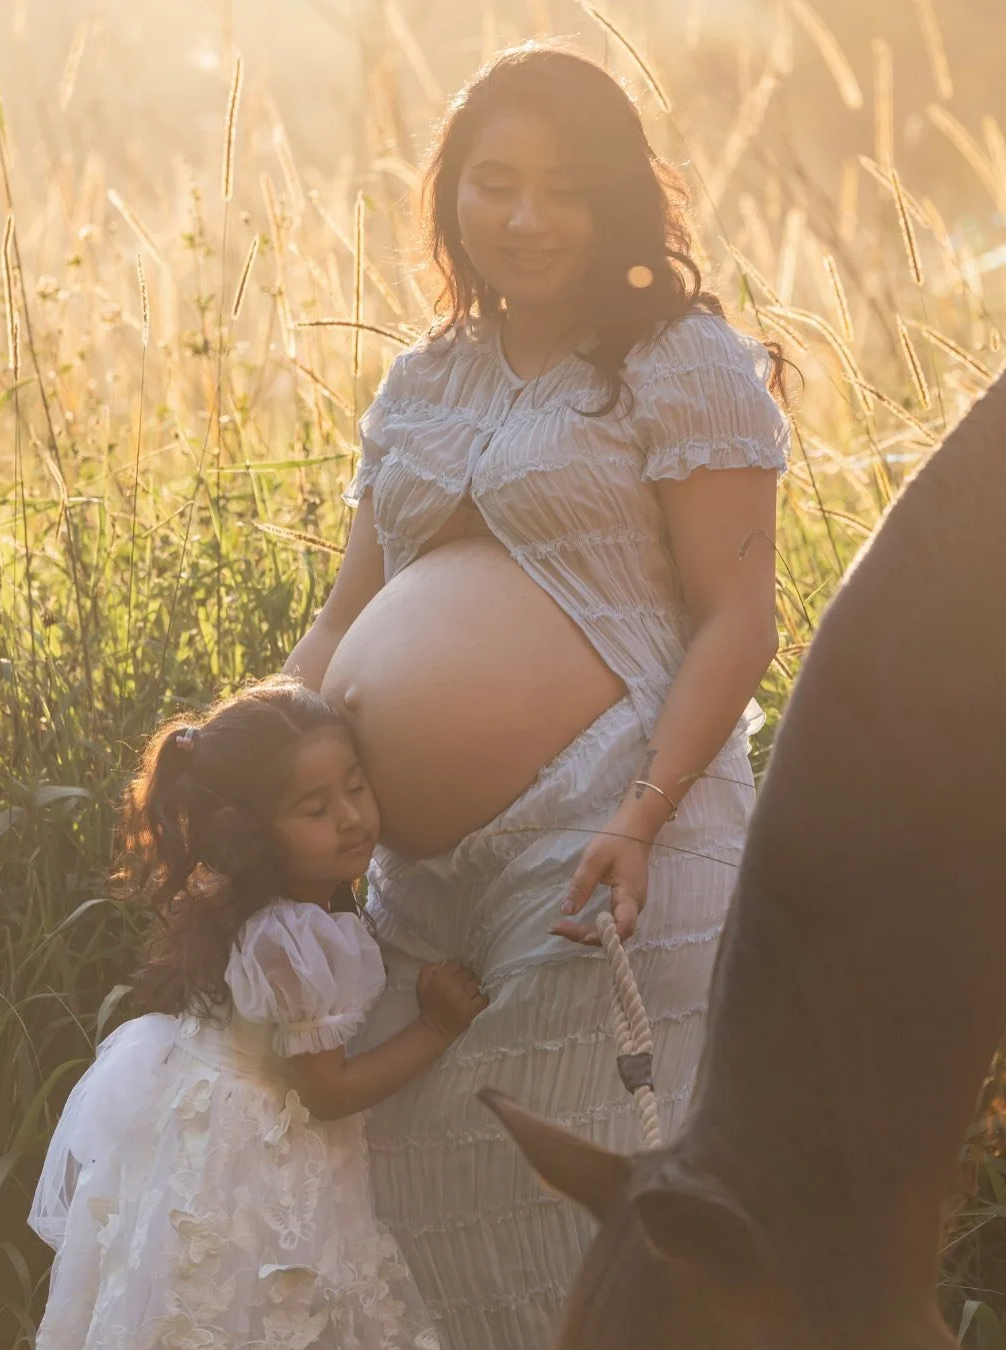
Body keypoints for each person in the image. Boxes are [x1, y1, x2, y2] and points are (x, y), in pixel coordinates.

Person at [285, 42, 790, 1350]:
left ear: (617, 197)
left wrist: (639, 811)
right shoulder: (423, 381)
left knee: (579, 1206)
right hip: (410, 878)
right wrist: (232, 777)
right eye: (494, 182)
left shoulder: (678, 360)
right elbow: (345, 615)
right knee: (409, 1196)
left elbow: (741, 617)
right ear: (450, 194)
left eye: (563, 188)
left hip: (617, 845)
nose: (525, 218)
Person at [28, 676, 486, 1350]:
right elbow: (326, 1091)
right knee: (259, 1303)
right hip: (257, 1150)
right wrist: (435, 1028)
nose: (352, 818)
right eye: (315, 808)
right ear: (254, 833)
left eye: (356, 788)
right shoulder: (290, 938)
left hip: (206, 1119)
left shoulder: (255, 903)